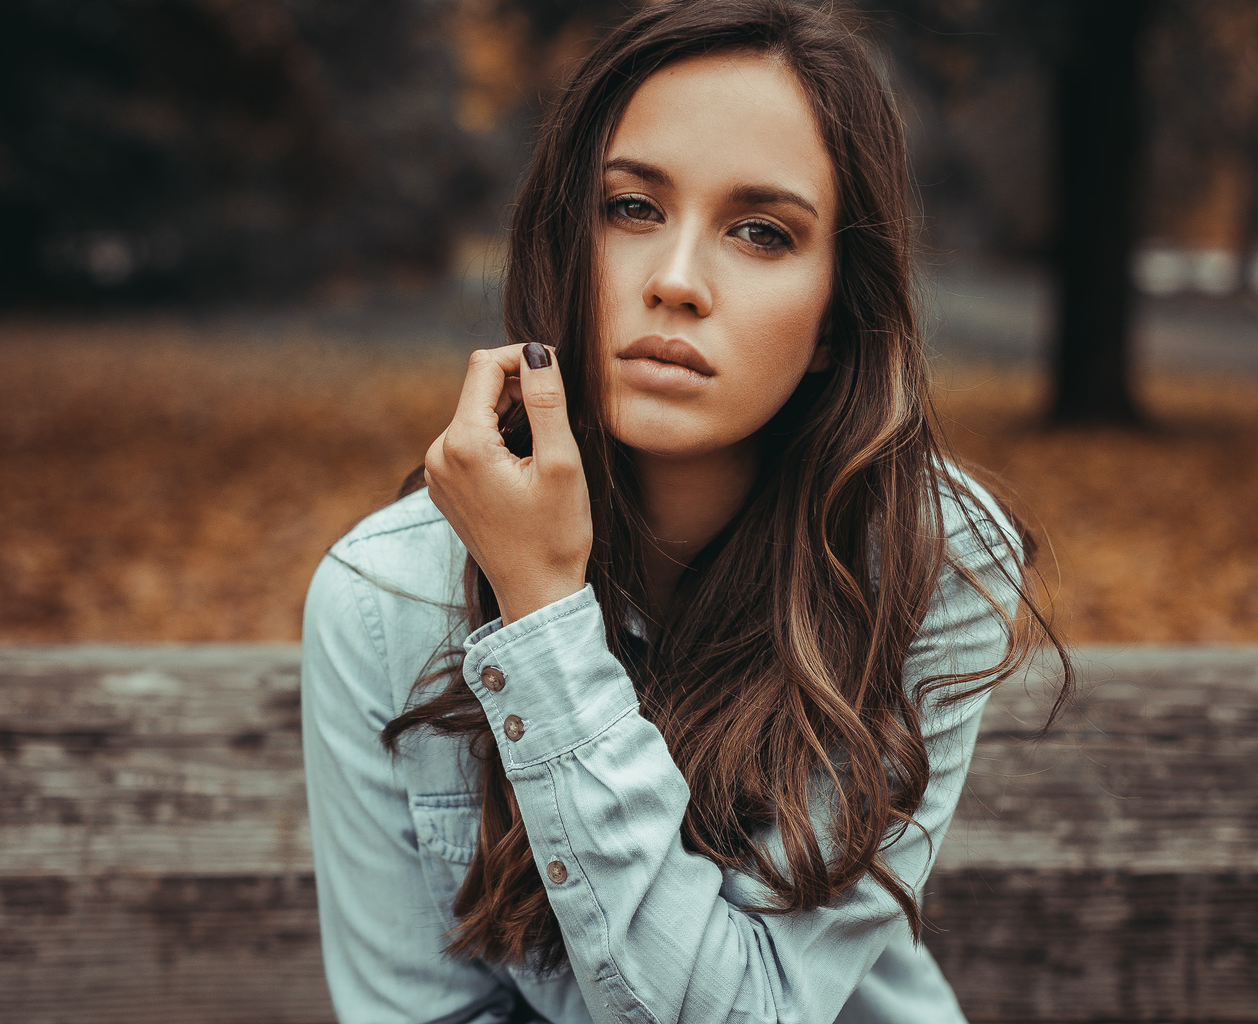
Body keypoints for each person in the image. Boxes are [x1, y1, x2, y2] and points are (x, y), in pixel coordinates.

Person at [300, 1, 1069, 1021]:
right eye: (630, 208)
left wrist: (539, 622)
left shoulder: (929, 562)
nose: (674, 281)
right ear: (565, 239)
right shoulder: (382, 600)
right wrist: (534, 605)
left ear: (838, 315)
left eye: (761, 232)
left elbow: (757, 1007)